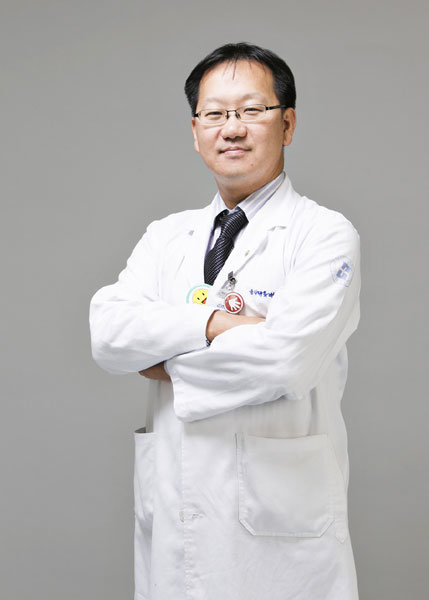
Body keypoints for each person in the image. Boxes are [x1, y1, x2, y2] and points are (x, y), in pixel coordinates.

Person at [89, 42, 361, 600]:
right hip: (176, 521)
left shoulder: (324, 235)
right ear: (196, 132)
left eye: (251, 110)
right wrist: (214, 326)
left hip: (280, 535)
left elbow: (284, 362)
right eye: (214, 114)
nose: (232, 129)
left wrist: (164, 359)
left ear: (287, 124)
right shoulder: (167, 236)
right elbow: (109, 334)